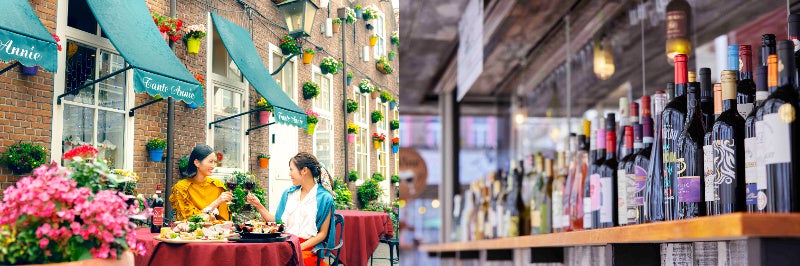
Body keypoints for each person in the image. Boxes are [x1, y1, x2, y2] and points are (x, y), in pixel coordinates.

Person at [246, 152, 336, 266]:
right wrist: (258, 205)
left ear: (304, 170)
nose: (289, 174)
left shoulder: (325, 198)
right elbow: (276, 221)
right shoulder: (289, 194)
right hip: (283, 244)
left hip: (306, 249)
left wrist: (298, 247)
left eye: (291, 169)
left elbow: (322, 234)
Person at [169, 144, 233, 221]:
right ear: (197, 163)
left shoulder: (218, 186)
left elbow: (224, 221)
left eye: (214, 162)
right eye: (210, 161)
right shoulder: (181, 188)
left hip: (217, 232)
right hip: (192, 232)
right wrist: (215, 203)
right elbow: (188, 220)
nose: (213, 166)